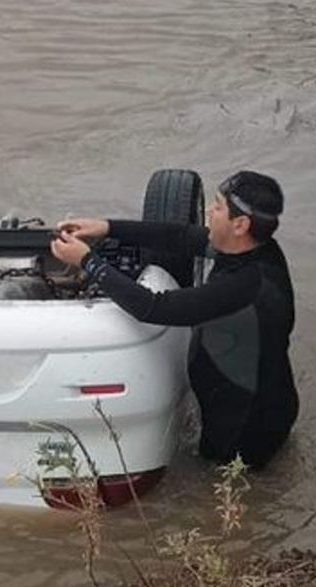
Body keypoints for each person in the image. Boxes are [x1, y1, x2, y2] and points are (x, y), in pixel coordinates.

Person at [50, 171, 298, 469]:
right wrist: (107, 227)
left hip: (244, 430)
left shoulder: (245, 287)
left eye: (217, 207)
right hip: (256, 396)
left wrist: (89, 262)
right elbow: (179, 237)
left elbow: (152, 307)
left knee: (223, 493)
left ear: (240, 225)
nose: (209, 213)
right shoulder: (252, 249)